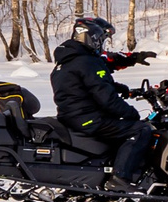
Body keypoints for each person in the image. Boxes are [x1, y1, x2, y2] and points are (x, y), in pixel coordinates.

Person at [50, 15, 158, 189]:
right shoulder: (87, 61)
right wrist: (131, 114)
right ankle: (120, 179)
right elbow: (106, 99)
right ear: (93, 37)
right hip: (88, 118)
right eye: (103, 39)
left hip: (74, 116)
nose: (103, 44)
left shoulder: (71, 59)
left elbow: (93, 85)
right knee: (140, 130)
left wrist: (127, 90)